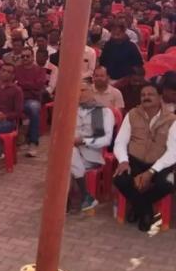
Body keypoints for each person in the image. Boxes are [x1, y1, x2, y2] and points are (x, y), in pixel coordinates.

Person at [113, 83, 176, 232]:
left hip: (159, 163)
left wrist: (151, 171)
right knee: (120, 179)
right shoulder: (132, 114)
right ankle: (145, 210)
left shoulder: (172, 120)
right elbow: (120, 141)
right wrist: (123, 160)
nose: (146, 97)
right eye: (143, 95)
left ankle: (138, 206)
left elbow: (173, 152)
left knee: (168, 183)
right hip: (134, 160)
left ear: (160, 97)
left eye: (150, 94)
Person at [69, 80, 114, 212]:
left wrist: (84, 141)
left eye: (83, 90)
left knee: (67, 159)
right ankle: (85, 196)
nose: (79, 93)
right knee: (69, 156)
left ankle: (69, 200)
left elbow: (107, 139)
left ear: (92, 92)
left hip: (91, 155)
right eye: (77, 90)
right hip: (71, 154)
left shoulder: (104, 112)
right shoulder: (71, 110)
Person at [14, 47, 47, 156]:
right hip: (16, 99)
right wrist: (31, 85)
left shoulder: (40, 70)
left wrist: (22, 84)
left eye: (27, 56)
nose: (25, 58)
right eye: (23, 56)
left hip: (32, 99)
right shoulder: (16, 69)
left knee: (34, 108)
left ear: (33, 57)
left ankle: (33, 142)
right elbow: (14, 85)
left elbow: (39, 86)